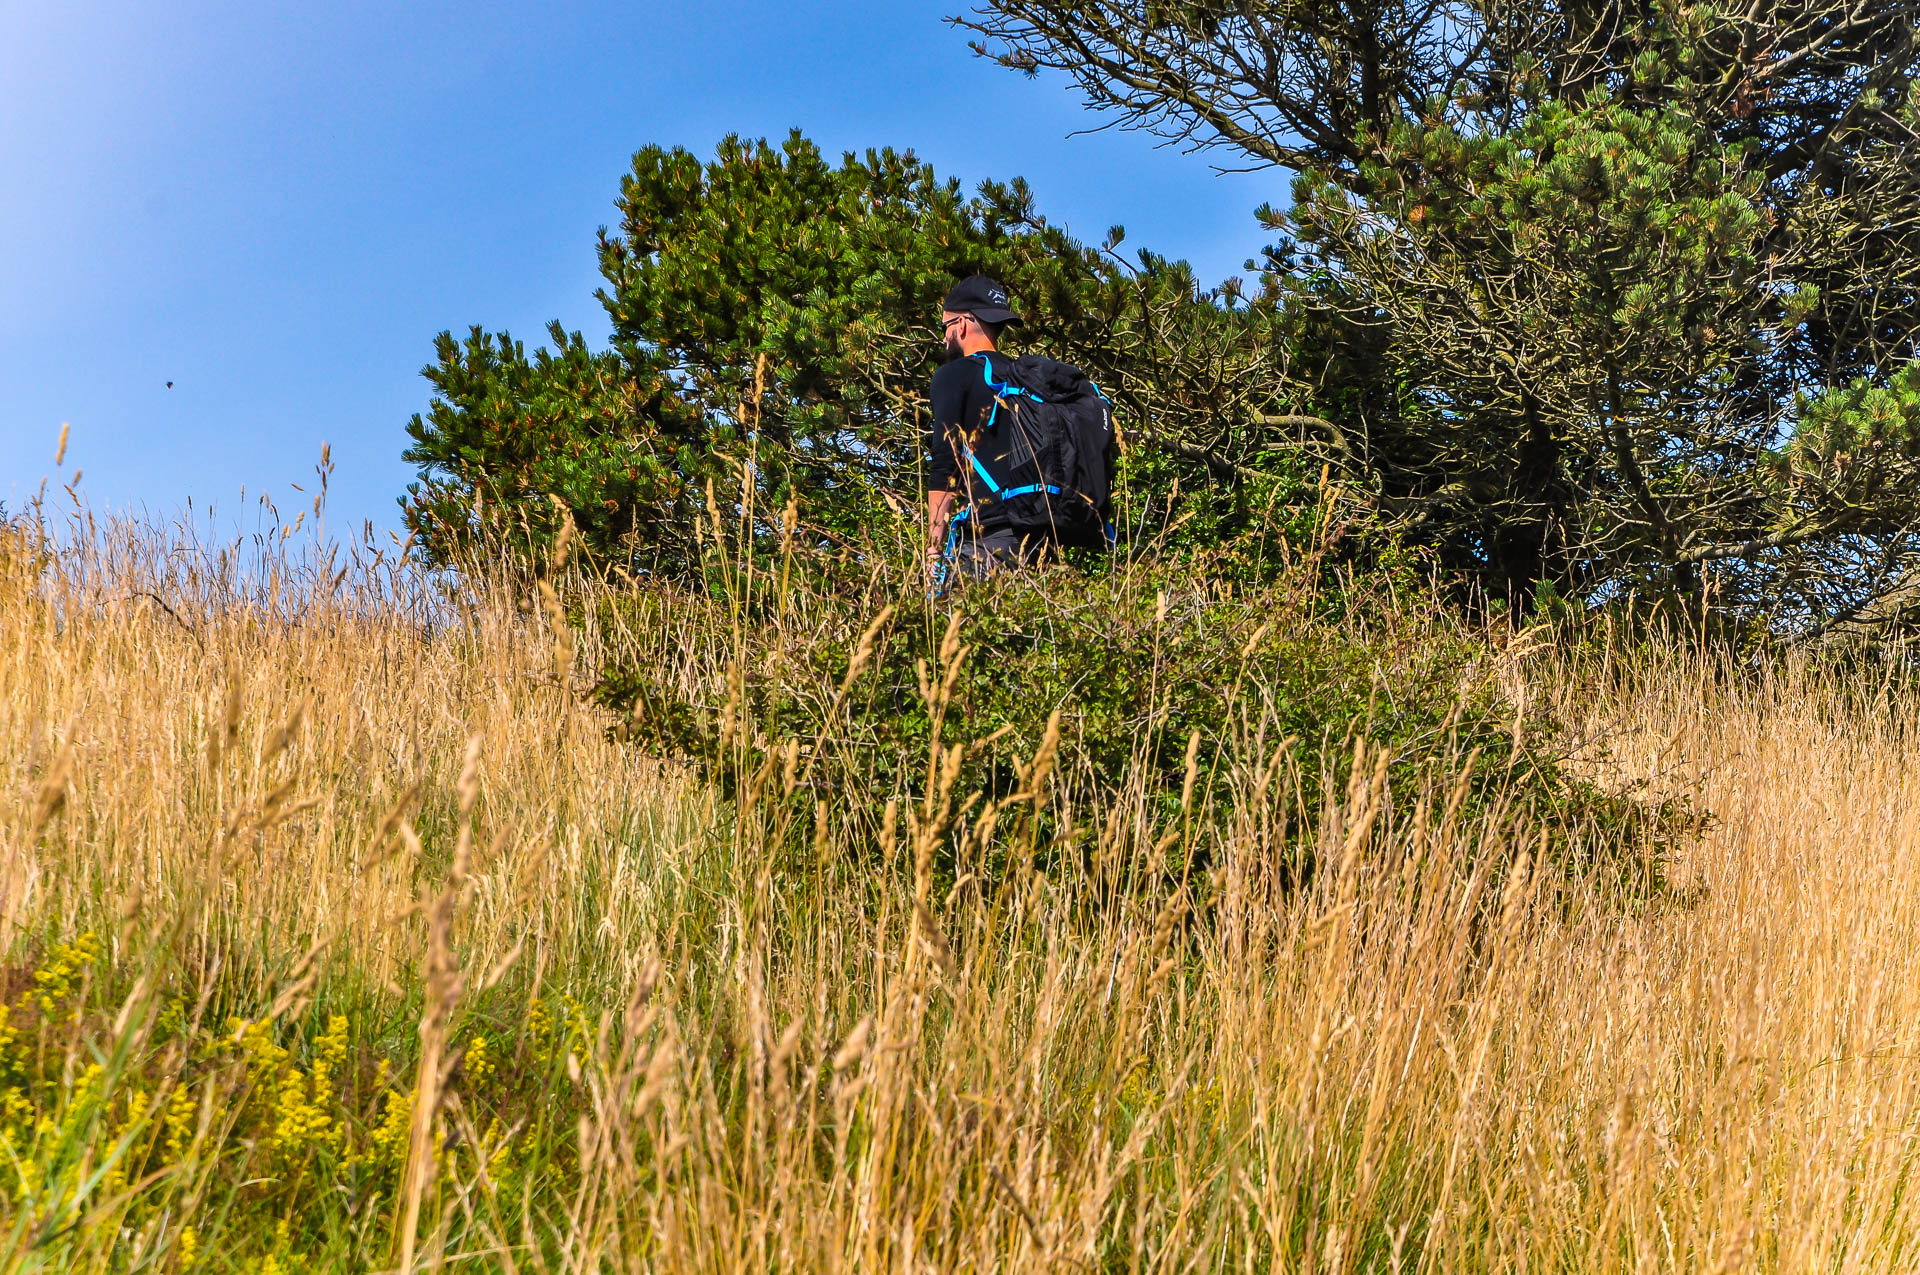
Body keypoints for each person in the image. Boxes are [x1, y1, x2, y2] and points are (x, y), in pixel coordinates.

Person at [924, 274, 1048, 583]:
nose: (943, 338)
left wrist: (933, 551)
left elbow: (946, 463)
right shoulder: (1025, 380)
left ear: (962, 325)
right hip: (1041, 544)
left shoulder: (954, 375)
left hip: (986, 546)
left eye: (945, 327)